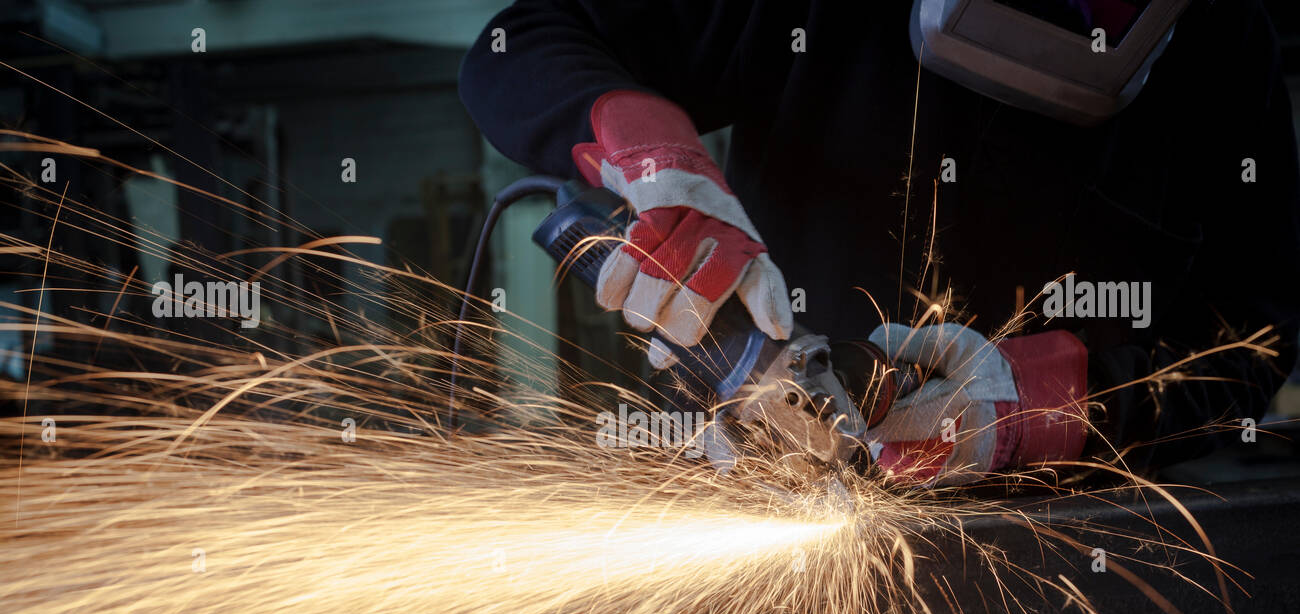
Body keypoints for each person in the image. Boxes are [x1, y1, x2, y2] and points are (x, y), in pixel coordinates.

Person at [460, 0, 1300, 484]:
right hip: (769, 492)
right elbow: (523, 42)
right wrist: (652, 149)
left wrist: (1059, 407)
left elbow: (1257, 338)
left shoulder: (1226, 46)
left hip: (1090, 538)